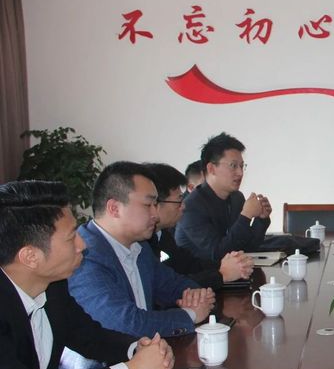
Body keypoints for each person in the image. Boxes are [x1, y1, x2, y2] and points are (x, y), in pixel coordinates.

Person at [0, 181, 174, 369]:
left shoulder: (52, 286)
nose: (83, 244)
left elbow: (89, 336)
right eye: (71, 237)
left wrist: (137, 348)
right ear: (30, 256)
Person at [68, 162, 215, 338]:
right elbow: (126, 323)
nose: (156, 214)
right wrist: (190, 315)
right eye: (148, 205)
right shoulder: (84, 256)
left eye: (156, 204)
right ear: (114, 208)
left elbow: (172, 284)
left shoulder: (139, 246)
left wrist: (198, 295)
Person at [144, 163, 253, 289]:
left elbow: (190, 265)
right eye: (179, 201)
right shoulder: (143, 244)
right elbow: (168, 287)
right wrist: (221, 274)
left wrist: (229, 265)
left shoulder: (162, 235)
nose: (183, 206)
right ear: (156, 203)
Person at [175, 133, 272, 261]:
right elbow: (218, 253)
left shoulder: (236, 198)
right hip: (200, 272)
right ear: (211, 168)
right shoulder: (191, 206)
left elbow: (247, 247)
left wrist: (261, 219)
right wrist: (246, 216)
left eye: (242, 166)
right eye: (233, 165)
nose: (240, 173)